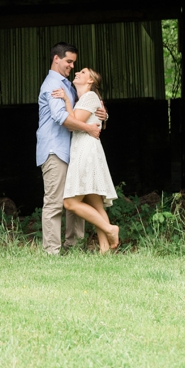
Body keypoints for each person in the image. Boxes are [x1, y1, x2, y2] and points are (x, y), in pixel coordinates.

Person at [36, 43, 108, 255]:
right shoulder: (52, 85)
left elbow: (86, 105)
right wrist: (89, 128)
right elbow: (62, 118)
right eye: (69, 62)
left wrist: (103, 114)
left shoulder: (67, 85)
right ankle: (52, 251)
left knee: (76, 199)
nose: (72, 66)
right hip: (55, 149)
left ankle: (74, 247)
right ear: (56, 59)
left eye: (74, 63)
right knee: (55, 203)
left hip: (73, 151)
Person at [53, 67, 120, 253]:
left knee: (70, 203)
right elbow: (85, 117)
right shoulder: (85, 99)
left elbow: (74, 122)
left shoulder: (89, 97)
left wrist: (66, 100)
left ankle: (109, 229)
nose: (77, 73)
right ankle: (105, 250)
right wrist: (103, 113)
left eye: (82, 72)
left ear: (90, 80)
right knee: (96, 204)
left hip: (86, 152)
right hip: (86, 150)